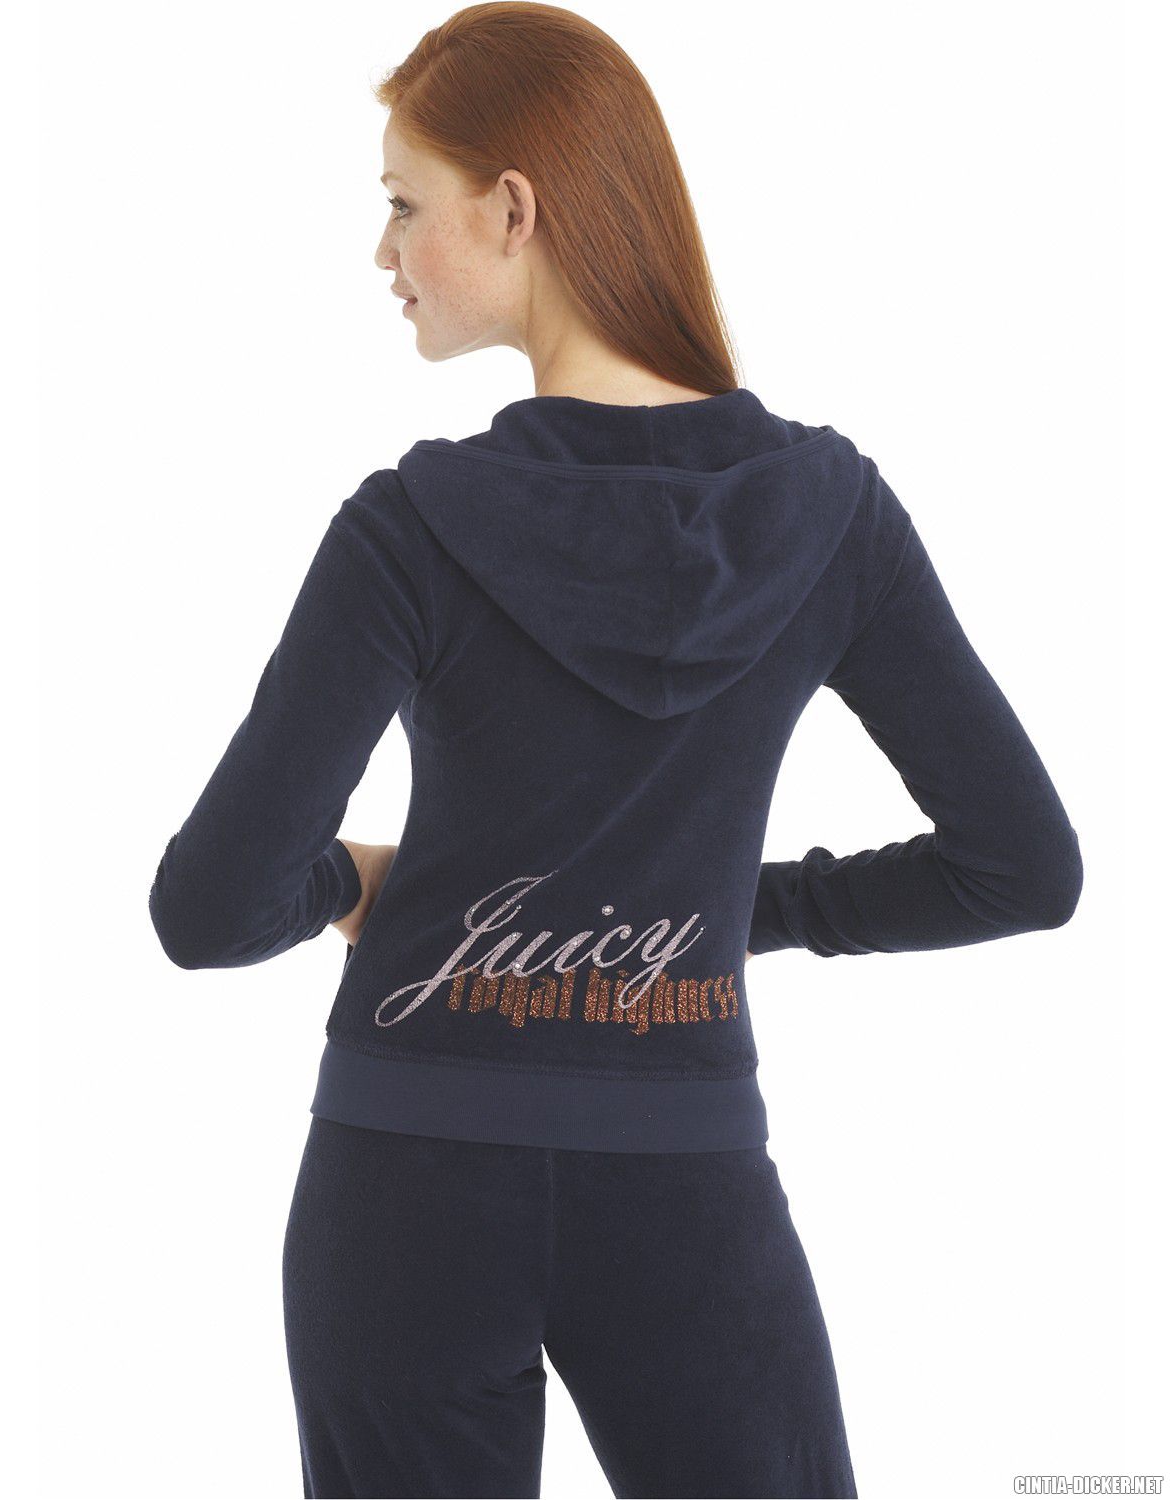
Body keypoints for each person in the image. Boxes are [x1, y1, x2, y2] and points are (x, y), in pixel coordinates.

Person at [147, 5, 1084, 1497]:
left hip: (403, 1178)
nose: (383, 251)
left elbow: (209, 908)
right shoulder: (830, 516)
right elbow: (1021, 868)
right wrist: (722, 915)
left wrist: (352, 884)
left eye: (403, 203)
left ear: (513, 208)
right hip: (686, 1182)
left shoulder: (409, 528)